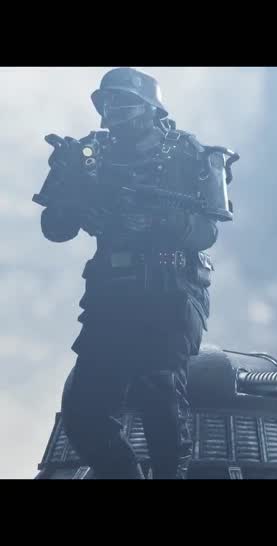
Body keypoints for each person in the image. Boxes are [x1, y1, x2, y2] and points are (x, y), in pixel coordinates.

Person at [33, 67, 236, 479]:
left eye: (125, 102)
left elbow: (208, 231)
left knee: (159, 389)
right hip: (111, 295)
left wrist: (164, 221)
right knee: (84, 411)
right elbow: (54, 228)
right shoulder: (90, 155)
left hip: (170, 290)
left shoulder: (185, 154)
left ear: (151, 109)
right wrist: (73, 193)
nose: (115, 111)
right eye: (108, 103)